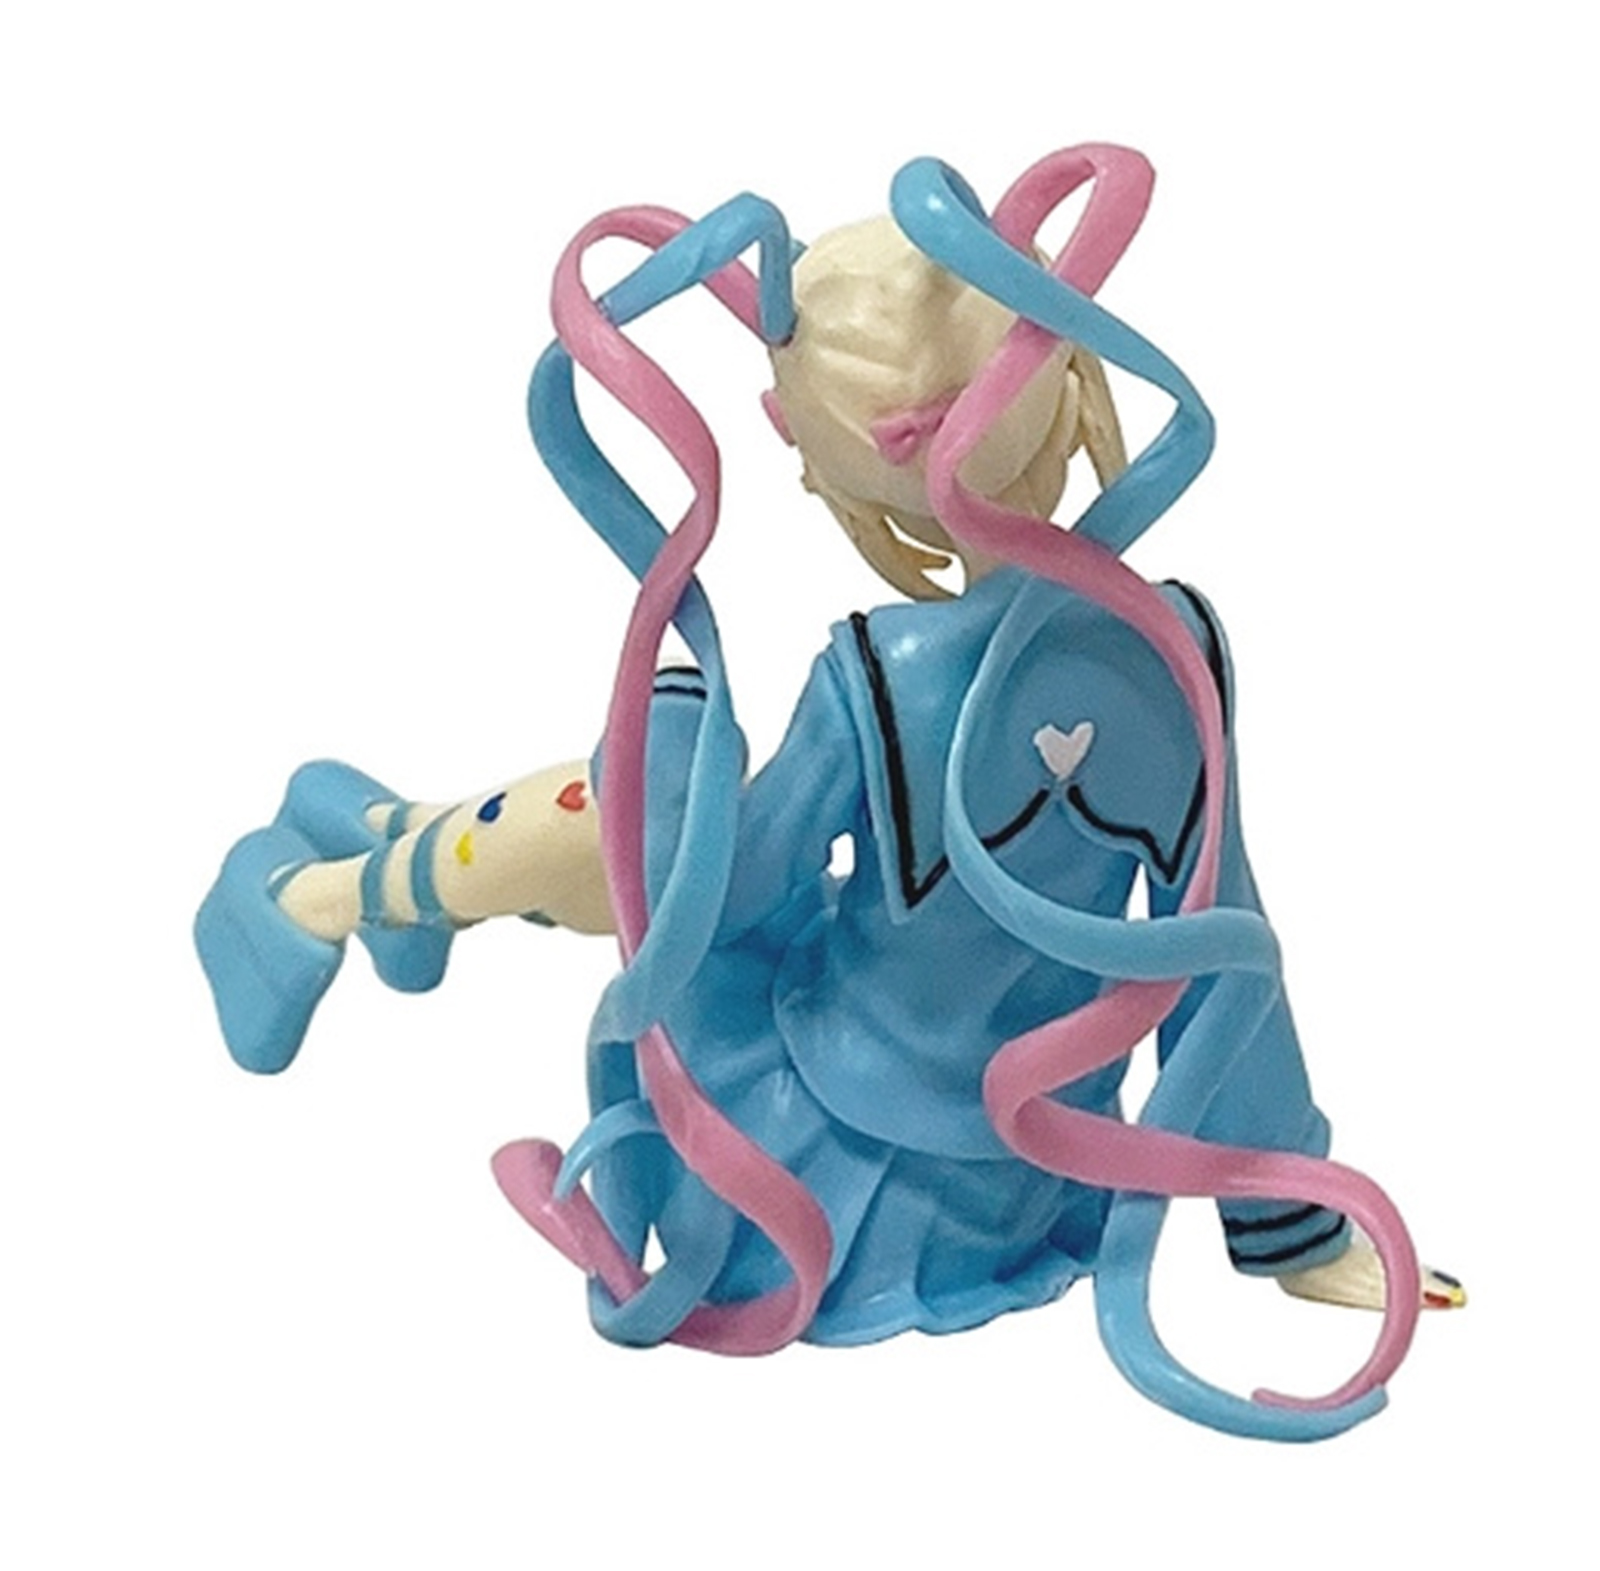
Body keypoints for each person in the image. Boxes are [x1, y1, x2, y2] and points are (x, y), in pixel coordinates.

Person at [196, 147, 1459, 1438]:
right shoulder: (1175, 647)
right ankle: (372, 861)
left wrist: (674, 757)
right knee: (639, 807)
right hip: (1030, 1182)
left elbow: (734, 895)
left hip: (832, 1166)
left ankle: (331, 891)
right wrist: (1291, 1221)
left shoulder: (877, 672)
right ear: (1075, 378)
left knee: (635, 809)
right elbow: (1225, 949)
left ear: (828, 469)